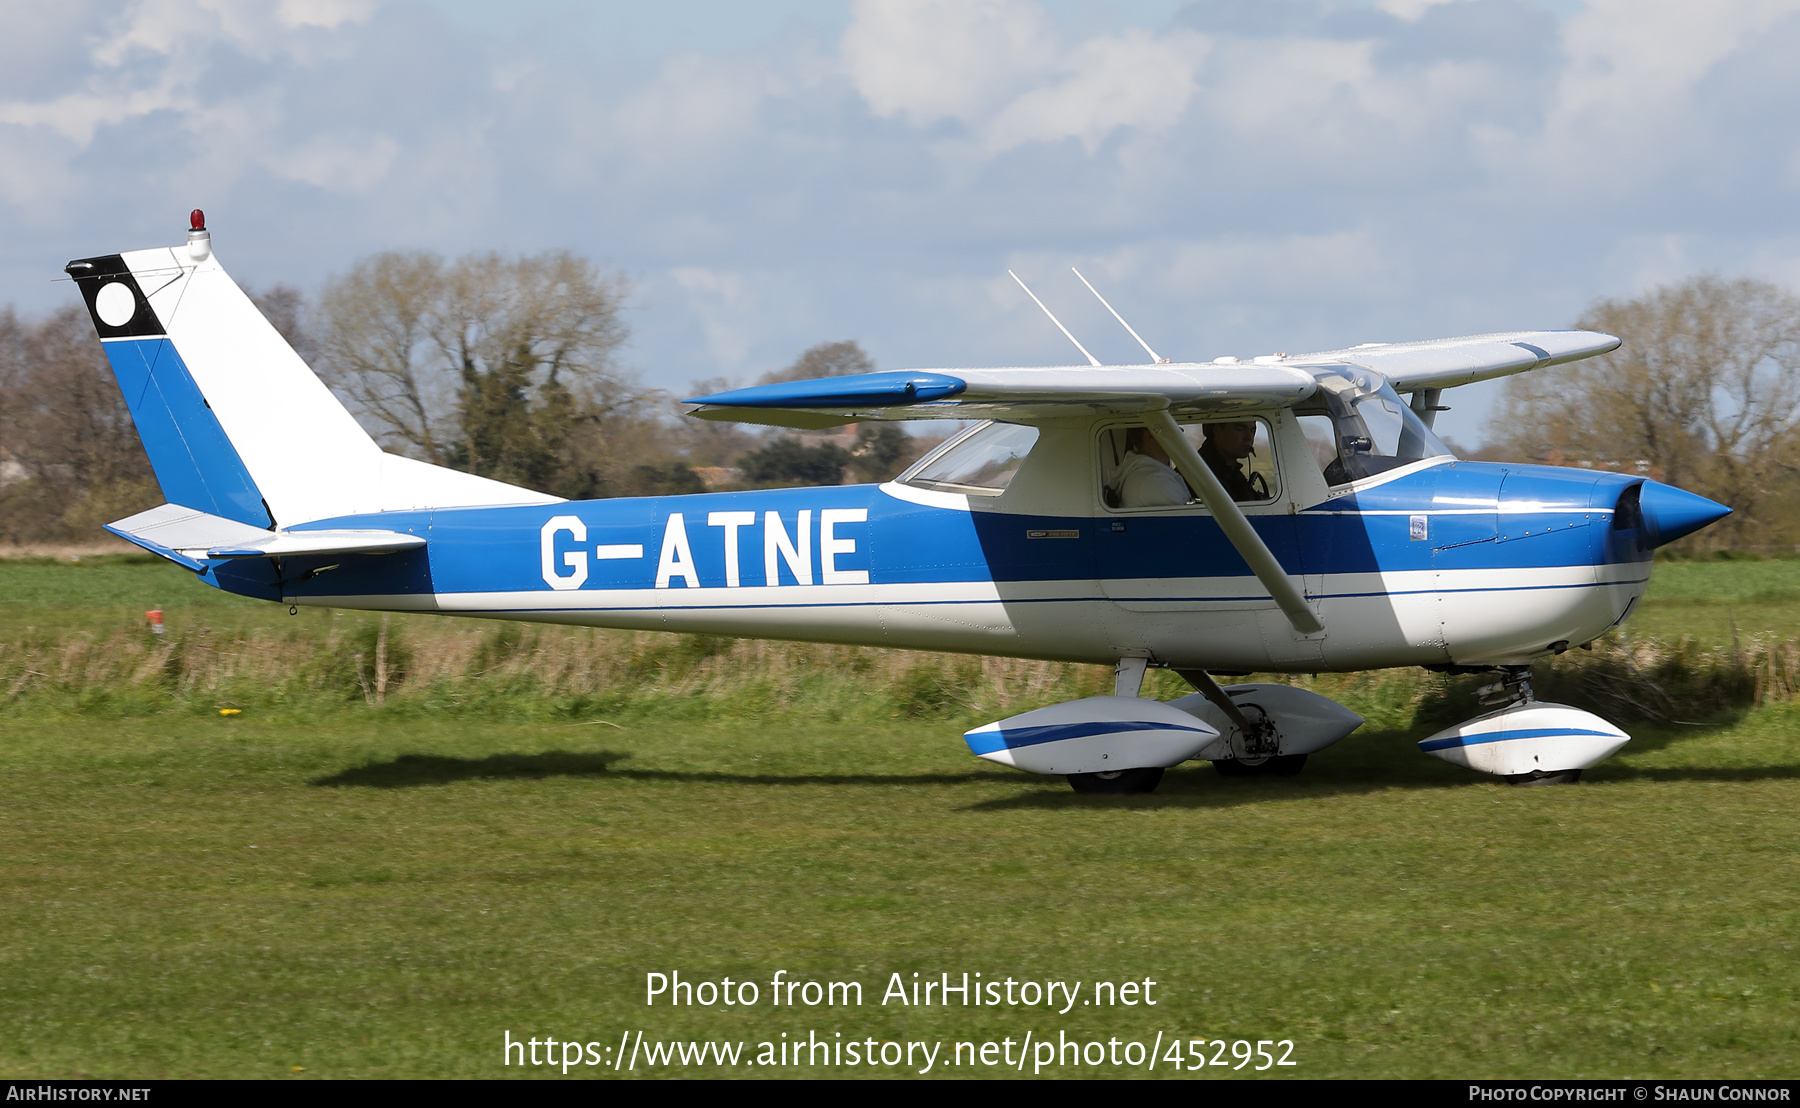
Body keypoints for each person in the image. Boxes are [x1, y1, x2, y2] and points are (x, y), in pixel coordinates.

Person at [1115, 426, 1191, 507]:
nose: (1181, 431)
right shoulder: (1154, 478)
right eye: (1172, 426)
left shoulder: (1149, 472)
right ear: (1150, 436)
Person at [1200, 421, 1269, 502]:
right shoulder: (1203, 472)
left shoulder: (1232, 473)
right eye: (1240, 429)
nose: (1249, 437)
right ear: (1217, 429)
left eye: (1252, 431)